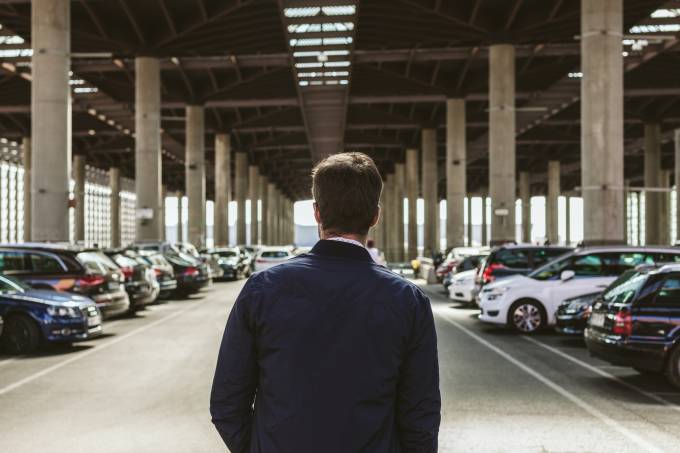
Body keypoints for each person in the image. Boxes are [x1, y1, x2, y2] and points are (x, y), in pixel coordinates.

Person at [210, 152, 441, 453]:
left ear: (317, 213)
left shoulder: (262, 290)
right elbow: (420, 417)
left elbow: (227, 404)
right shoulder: (408, 301)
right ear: (375, 216)